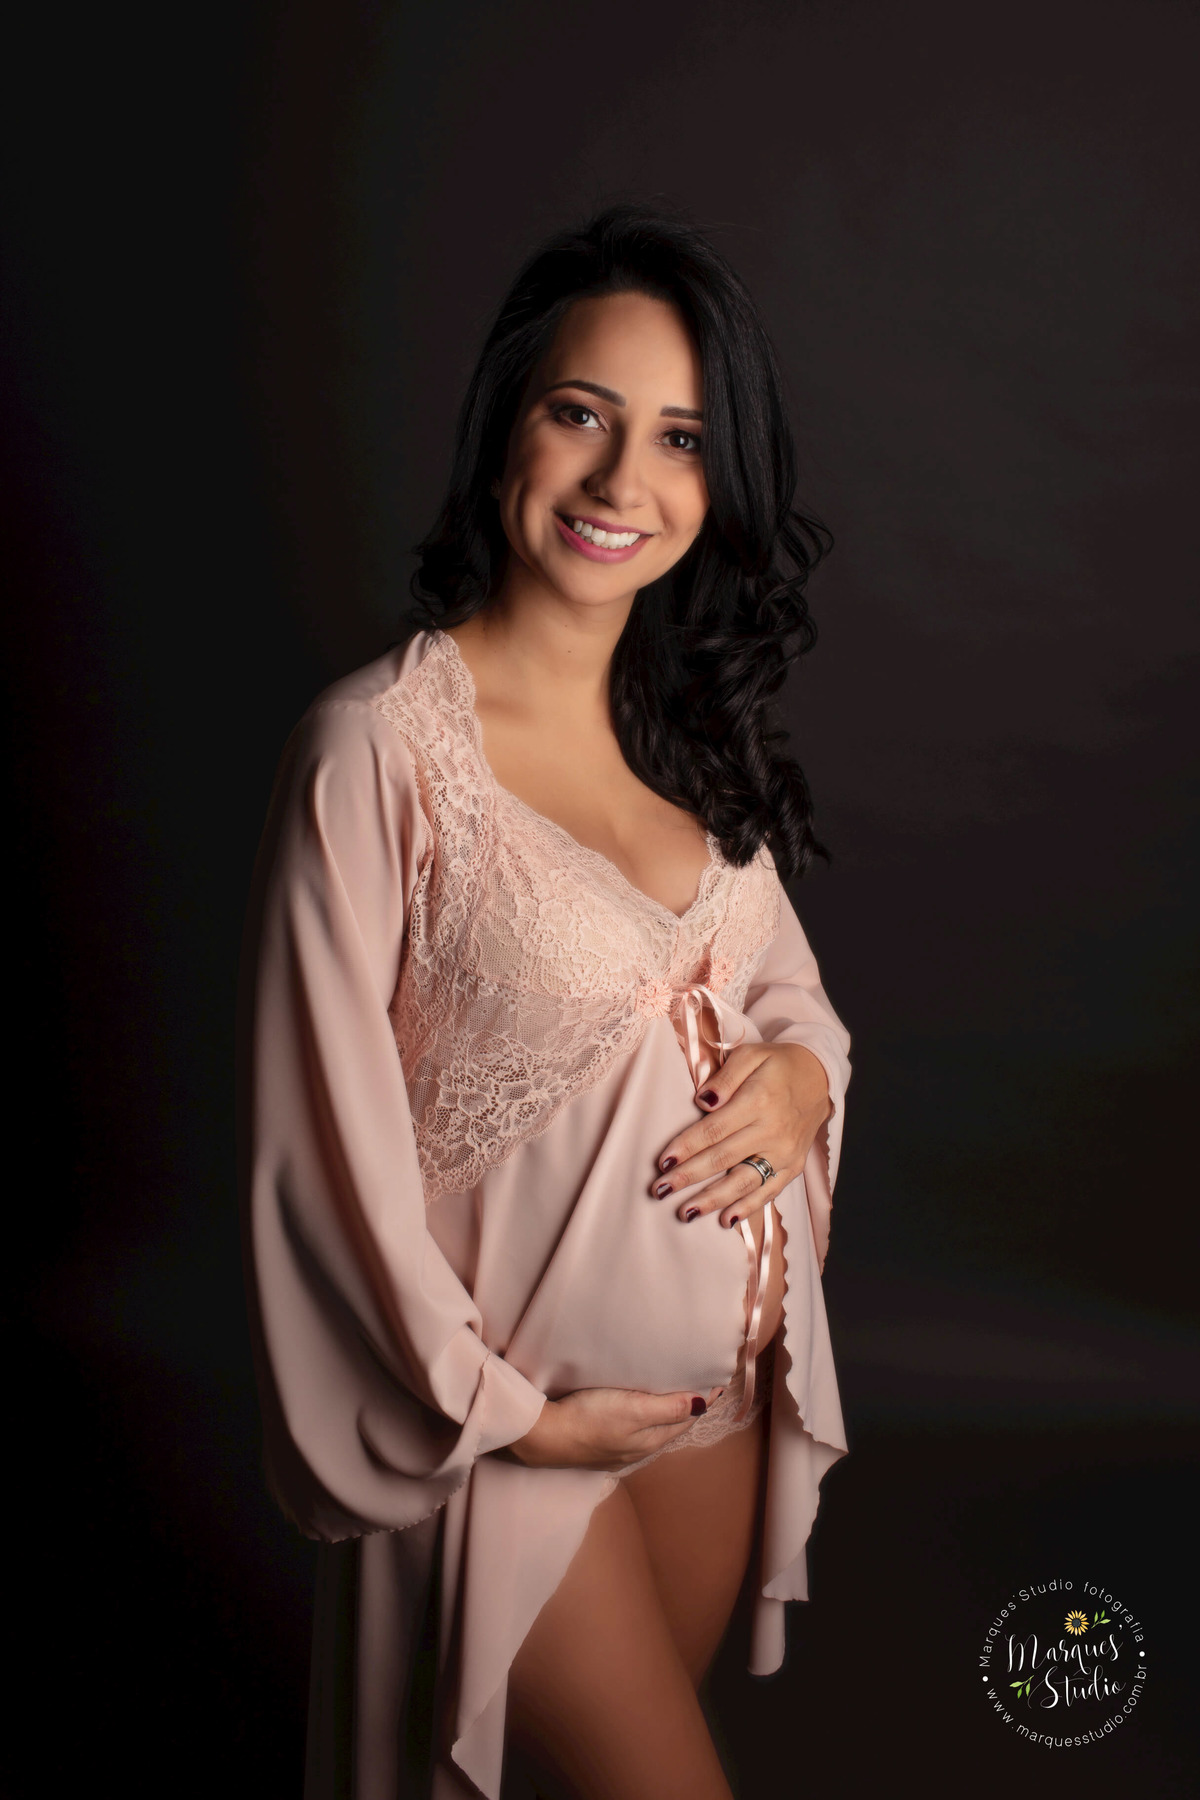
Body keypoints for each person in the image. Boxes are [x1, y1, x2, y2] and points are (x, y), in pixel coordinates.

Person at [241, 204, 851, 1800]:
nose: (617, 484)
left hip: (710, 1422)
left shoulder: (688, 755)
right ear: (507, 419)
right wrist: (497, 1415)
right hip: (510, 1442)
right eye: (581, 413)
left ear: (716, 489)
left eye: (678, 439)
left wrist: (798, 1080)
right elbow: (326, 1161)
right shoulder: (375, 751)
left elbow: (795, 1005)